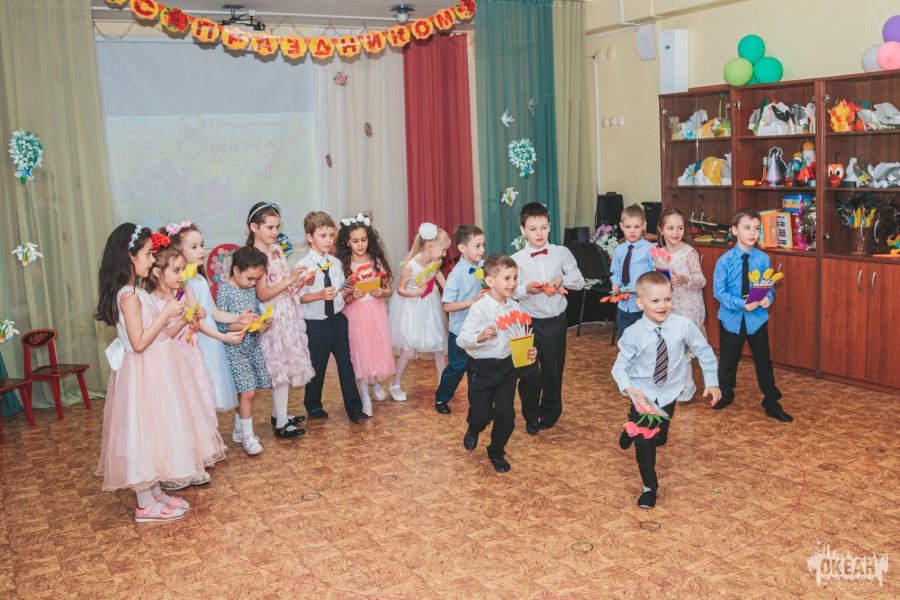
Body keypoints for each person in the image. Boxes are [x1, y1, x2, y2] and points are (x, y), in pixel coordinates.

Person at [94, 223, 226, 522]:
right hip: (143, 373)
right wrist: (166, 312)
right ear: (128, 257)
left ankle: (153, 492)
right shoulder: (128, 295)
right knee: (144, 435)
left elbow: (160, 335)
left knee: (158, 433)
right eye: (146, 254)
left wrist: (183, 320)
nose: (152, 259)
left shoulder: (136, 292)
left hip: (156, 368)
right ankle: (144, 504)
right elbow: (139, 342)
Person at [613, 271, 721, 509]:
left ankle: (630, 430)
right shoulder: (633, 334)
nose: (662, 306)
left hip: (670, 391)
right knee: (646, 443)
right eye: (655, 301)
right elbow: (619, 366)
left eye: (667, 299)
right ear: (640, 303)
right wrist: (629, 389)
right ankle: (649, 488)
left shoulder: (683, 325)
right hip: (642, 394)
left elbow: (704, 351)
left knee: (659, 438)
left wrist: (712, 381)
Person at [143, 235, 226, 489]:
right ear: (157, 272)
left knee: (192, 409)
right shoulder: (152, 301)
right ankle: (175, 467)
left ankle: (194, 460)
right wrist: (181, 319)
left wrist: (194, 319)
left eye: (182, 270)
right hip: (167, 362)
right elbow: (163, 336)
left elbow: (190, 329)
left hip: (187, 357)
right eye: (176, 271)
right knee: (173, 414)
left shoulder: (180, 294)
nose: (181, 275)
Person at [457, 254, 537, 473]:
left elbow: (520, 338)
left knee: (506, 414)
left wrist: (528, 351)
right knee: (481, 415)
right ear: (490, 281)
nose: (513, 283)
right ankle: (474, 427)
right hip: (481, 369)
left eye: (515, 278)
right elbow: (462, 340)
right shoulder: (479, 309)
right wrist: (480, 336)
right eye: (507, 278)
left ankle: (496, 450)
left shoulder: (516, 308)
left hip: (506, 370)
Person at [162, 221, 249, 416]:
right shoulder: (184, 283)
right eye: (194, 247)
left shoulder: (201, 278)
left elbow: (214, 313)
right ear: (178, 251)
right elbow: (197, 322)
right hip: (201, 340)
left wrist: (240, 317)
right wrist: (224, 337)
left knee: (211, 393)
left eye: (202, 245)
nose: (201, 250)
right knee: (200, 391)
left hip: (212, 340)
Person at [511, 203, 584, 434]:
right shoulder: (516, 259)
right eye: (533, 229)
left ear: (550, 227)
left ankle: (550, 412)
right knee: (529, 372)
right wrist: (525, 289)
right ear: (523, 230)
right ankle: (531, 414)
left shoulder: (561, 252)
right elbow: (509, 290)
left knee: (553, 370)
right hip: (528, 323)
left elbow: (579, 281)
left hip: (555, 321)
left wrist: (562, 279)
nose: (539, 233)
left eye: (543, 227)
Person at [713, 208, 791, 422]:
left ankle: (771, 402)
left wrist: (768, 299)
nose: (752, 233)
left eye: (756, 228)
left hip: (757, 320)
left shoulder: (763, 259)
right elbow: (719, 292)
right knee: (728, 361)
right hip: (731, 320)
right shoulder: (725, 261)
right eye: (747, 228)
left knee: (763, 361)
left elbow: (769, 286)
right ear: (735, 230)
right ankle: (725, 394)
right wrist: (741, 304)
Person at [246, 201, 314, 439]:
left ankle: (279, 414)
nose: (275, 232)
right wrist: (288, 281)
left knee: (287, 361)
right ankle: (281, 424)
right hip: (272, 316)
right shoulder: (255, 256)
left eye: (277, 227)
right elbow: (263, 293)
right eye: (270, 227)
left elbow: (285, 282)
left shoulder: (275, 249)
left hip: (287, 312)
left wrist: (300, 281)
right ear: (254, 227)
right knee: (280, 367)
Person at [298, 211, 367, 423]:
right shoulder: (303, 266)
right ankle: (313, 404)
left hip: (338, 321)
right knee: (316, 366)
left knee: (346, 365)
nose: (328, 240)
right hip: (315, 325)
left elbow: (338, 294)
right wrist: (319, 295)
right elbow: (299, 297)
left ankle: (355, 409)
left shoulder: (335, 263)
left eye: (331, 235)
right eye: (323, 235)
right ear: (310, 237)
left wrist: (348, 291)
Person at [335, 212, 395, 417]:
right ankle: (365, 398)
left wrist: (381, 292)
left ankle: (373, 381)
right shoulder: (344, 265)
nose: (360, 244)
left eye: (363, 240)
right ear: (347, 242)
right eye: (355, 241)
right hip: (355, 314)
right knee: (359, 354)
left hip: (375, 313)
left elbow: (388, 290)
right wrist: (353, 295)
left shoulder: (375, 261)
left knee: (374, 351)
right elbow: (344, 299)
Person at [216, 246, 272, 455]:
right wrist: (246, 325)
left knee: (248, 391)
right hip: (234, 348)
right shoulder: (224, 290)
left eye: (257, 280)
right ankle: (248, 436)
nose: (253, 284)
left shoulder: (249, 289)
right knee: (248, 391)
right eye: (250, 278)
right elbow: (221, 325)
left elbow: (254, 315)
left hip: (251, 347)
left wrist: (262, 323)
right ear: (236, 270)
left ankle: (239, 430)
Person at [387, 222, 451, 401]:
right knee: (409, 349)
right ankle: (395, 384)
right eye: (443, 250)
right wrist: (414, 293)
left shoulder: (435, 261)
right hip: (413, 308)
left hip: (430, 307)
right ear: (430, 247)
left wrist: (449, 290)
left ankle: (443, 383)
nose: (445, 254)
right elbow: (400, 289)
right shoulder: (411, 266)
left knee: (439, 345)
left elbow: (438, 275)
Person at [434, 224, 487, 414]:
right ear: (463, 248)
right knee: (457, 366)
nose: (482, 250)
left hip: (480, 328)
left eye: (483, 245)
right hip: (461, 330)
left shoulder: (484, 266)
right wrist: (473, 301)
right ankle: (441, 398)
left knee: (481, 366)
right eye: (477, 246)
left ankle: (481, 400)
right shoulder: (456, 275)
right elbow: (447, 306)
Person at [656, 208, 707, 401]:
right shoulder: (659, 253)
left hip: (688, 306)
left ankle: (688, 384)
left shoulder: (688, 252)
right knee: (671, 346)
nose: (675, 232)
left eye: (680, 228)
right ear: (661, 230)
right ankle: (675, 384)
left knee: (683, 345)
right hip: (668, 305)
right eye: (670, 228)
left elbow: (701, 280)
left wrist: (685, 279)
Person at [610, 204, 654, 337]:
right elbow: (616, 272)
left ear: (644, 226)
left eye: (637, 227)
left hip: (642, 305)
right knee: (624, 338)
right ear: (621, 226)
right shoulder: (619, 250)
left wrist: (643, 289)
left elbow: (655, 275)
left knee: (643, 339)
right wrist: (615, 283)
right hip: (624, 305)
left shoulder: (650, 249)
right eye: (628, 227)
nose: (632, 231)